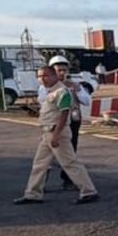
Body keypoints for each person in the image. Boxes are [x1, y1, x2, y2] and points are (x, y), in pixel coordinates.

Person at [13, 67, 99, 205]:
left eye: (45, 76)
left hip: (57, 132)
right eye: (40, 76)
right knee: (39, 164)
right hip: (47, 132)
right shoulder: (49, 92)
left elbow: (64, 115)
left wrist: (56, 135)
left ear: (54, 76)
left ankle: (89, 191)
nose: (42, 79)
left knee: (69, 163)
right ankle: (33, 194)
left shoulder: (62, 92)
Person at [40, 55, 91, 191]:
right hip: (52, 124)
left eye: (64, 70)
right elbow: (42, 101)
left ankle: (70, 181)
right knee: (47, 157)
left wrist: (78, 90)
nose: (62, 73)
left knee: (70, 153)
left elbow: (86, 100)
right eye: (58, 70)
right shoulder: (46, 87)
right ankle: (40, 184)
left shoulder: (74, 85)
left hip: (72, 122)